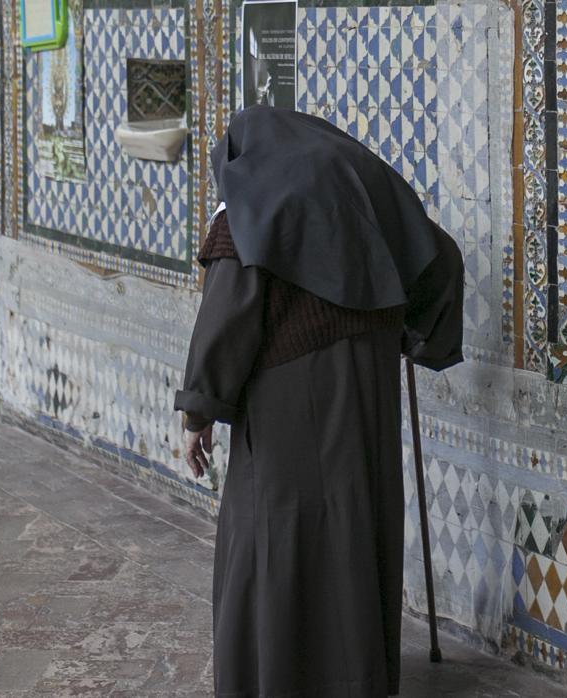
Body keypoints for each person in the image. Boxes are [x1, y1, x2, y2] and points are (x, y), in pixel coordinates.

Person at [174, 105, 464, 697]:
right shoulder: (364, 196)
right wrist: (418, 331)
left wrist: (198, 413)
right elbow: (442, 258)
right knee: (354, 533)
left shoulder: (251, 214)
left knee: (275, 539)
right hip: (367, 407)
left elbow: (225, 320)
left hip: (285, 415)